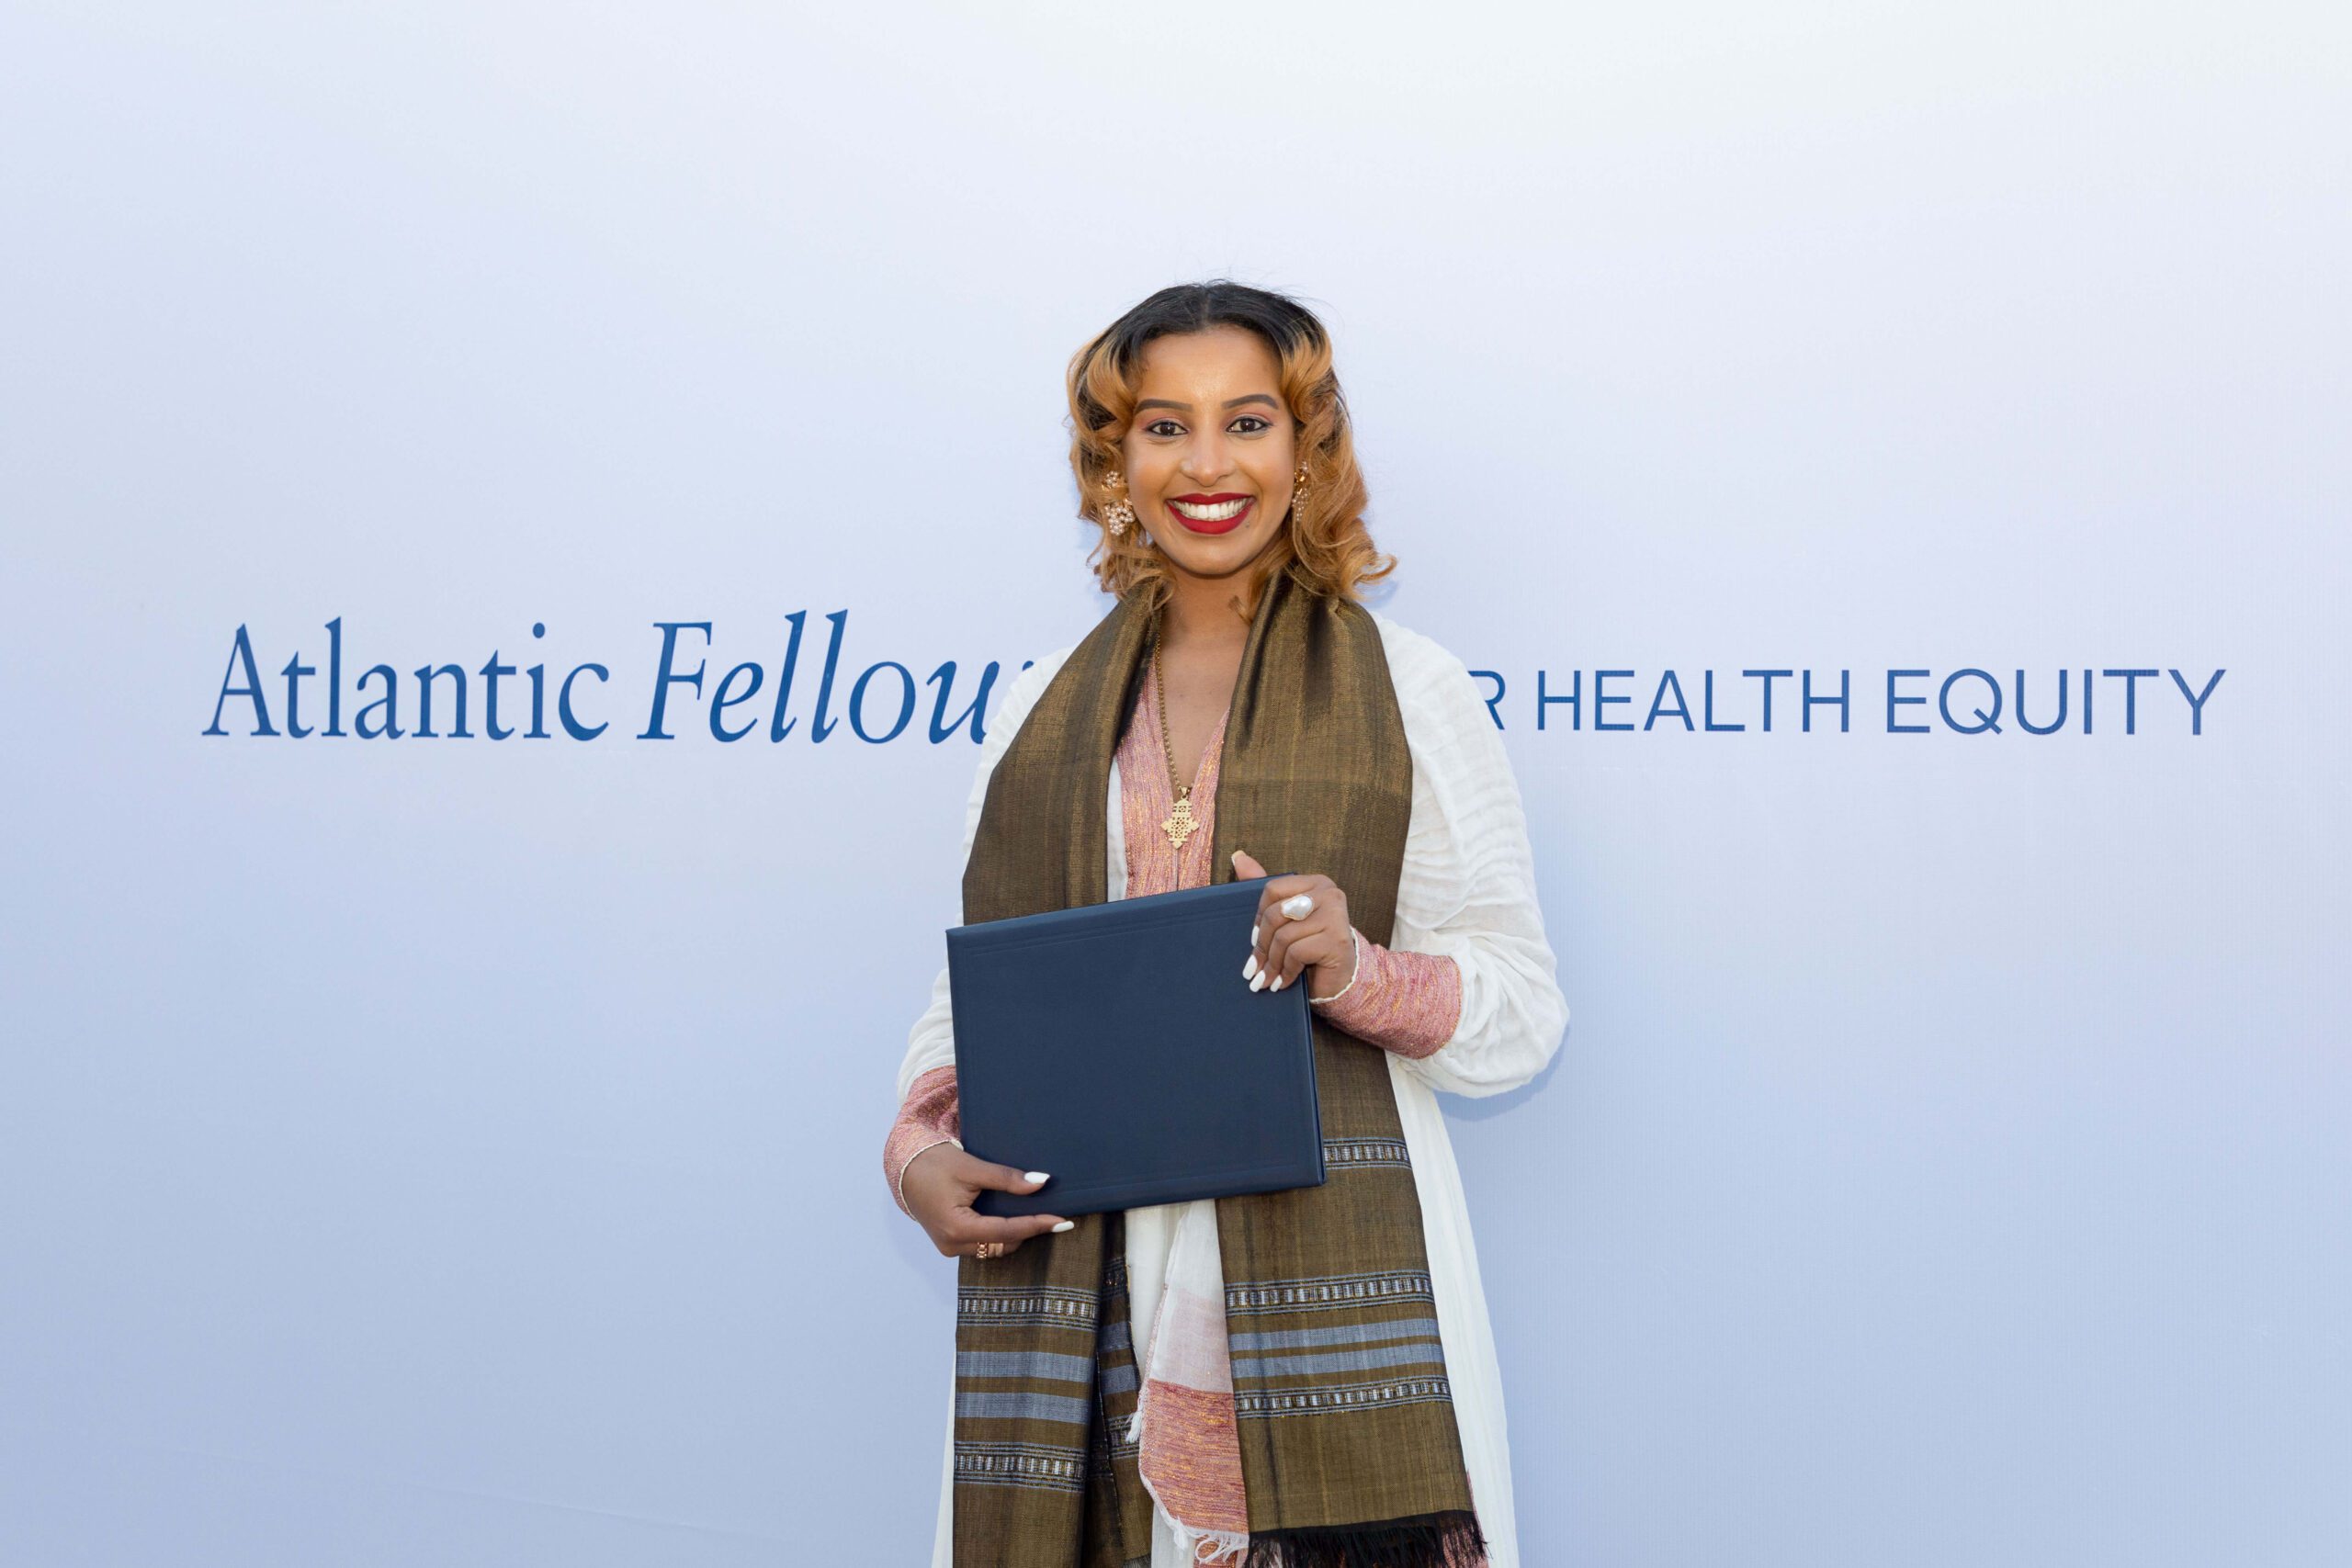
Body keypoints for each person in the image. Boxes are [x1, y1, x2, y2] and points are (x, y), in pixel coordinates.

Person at [884, 280, 1569, 1568]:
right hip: (1081, 1292)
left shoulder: (1411, 692)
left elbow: (1521, 1014)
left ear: (1308, 448)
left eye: (1247, 422)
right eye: (1162, 427)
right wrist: (919, 1149)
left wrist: (1359, 973)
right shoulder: (1040, 709)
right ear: (1112, 459)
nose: (1207, 466)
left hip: (1331, 1306)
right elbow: (975, 996)